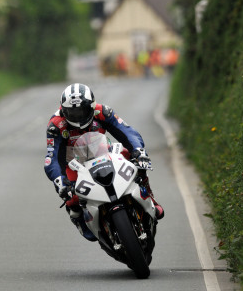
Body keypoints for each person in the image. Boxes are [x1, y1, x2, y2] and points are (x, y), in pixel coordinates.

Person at [44, 83, 164, 241]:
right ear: (62, 110)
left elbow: (127, 131)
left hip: (104, 151)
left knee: (136, 162)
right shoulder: (56, 125)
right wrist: (60, 181)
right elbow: (50, 158)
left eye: (81, 110)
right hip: (74, 163)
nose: (78, 116)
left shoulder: (103, 112)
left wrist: (138, 150)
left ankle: (149, 196)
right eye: (71, 112)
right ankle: (79, 219)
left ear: (92, 106)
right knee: (71, 196)